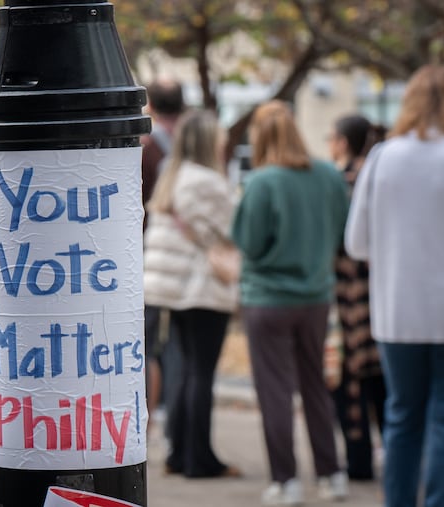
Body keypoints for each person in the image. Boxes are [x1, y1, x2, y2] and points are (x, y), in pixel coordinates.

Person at [231, 100, 349, 505]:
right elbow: (341, 231)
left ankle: (287, 481)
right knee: (315, 383)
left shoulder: (262, 182)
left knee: (276, 391)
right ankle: (333, 474)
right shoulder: (329, 176)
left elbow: (247, 242)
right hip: (316, 295)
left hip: (268, 298)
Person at [344, 64, 444, 507]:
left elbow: (356, 242)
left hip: (395, 312)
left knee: (402, 414)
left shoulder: (383, 157)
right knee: (442, 416)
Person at [143, 109, 239, 479]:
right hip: (200, 288)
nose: (224, 141)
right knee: (201, 373)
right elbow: (234, 229)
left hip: (171, 289)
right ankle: (201, 459)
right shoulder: (208, 182)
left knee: (184, 371)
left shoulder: (172, 175)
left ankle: (179, 453)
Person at [326, 114, 387, 481]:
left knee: (349, 379)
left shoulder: (341, 182)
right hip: (383, 291)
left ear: (344, 142)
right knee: (383, 379)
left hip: (347, 294)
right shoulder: (383, 179)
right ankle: (392, 452)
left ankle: (359, 459)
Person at [141, 79, 187, 428]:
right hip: (188, 254)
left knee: (148, 341)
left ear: (151, 106)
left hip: (150, 255)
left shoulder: (145, 146)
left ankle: (150, 416)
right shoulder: (194, 142)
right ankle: (176, 419)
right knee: (182, 341)